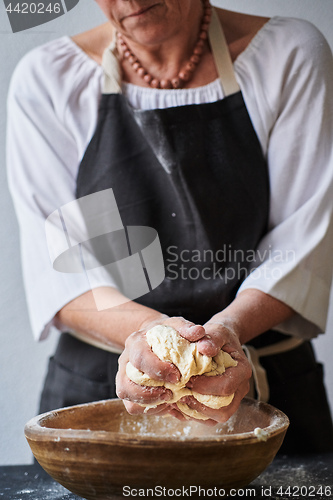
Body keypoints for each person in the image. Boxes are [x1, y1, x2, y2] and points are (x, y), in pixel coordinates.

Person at [7, 0, 333, 454]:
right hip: (99, 399)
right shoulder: (48, 80)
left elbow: (302, 242)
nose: (130, 2)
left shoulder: (289, 55)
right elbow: (62, 270)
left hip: (263, 388)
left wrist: (228, 333)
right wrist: (158, 341)